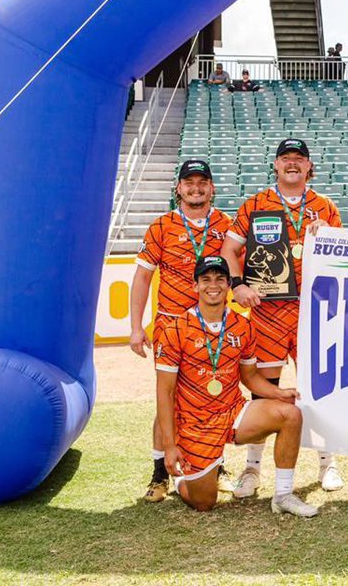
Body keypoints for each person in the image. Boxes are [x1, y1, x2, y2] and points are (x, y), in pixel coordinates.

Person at [221, 138, 346, 496]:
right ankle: (252, 469)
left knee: (319, 388)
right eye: (286, 158)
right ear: (275, 165)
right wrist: (238, 285)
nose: (292, 163)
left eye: (299, 159)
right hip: (268, 313)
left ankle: (328, 464)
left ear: (309, 167)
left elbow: (344, 254)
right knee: (266, 393)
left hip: (312, 313)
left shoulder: (325, 207)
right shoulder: (255, 205)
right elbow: (230, 249)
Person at [154, 256, 318, 517]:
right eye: (206, 279)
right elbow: (165, 392)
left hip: (233, 412)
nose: (213, 285)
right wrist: (170, 445)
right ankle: (183, 480)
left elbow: (250, 377)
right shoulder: (176, 329)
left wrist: (279, 393)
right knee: (205, 503)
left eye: (220, 279)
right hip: (195, 424)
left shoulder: (242, 326)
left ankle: (284, 495)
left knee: (290, 414)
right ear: (195, 285)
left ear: (229, 284)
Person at [130, 159, 232, 503]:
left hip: (213, 327)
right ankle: (160, 474)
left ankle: (218, 466)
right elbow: (143, 277)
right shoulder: (161, 227)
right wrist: (135, 327)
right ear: (179, 188)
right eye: (189, 182)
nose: (196, 188)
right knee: (168, 399)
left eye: (203, 182)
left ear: (212, 188)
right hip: (171, 326)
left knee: (215, 398)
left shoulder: (226, 225)